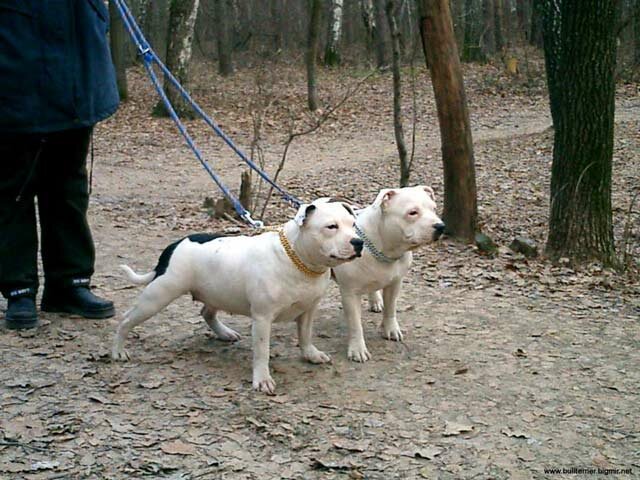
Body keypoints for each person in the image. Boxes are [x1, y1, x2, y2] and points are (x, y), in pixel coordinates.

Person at [0, 0, 120, 329]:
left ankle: (69, 284)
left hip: (79, 69)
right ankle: (18, 288)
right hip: (15, 70)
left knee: (68, 186)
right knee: (14, 189)